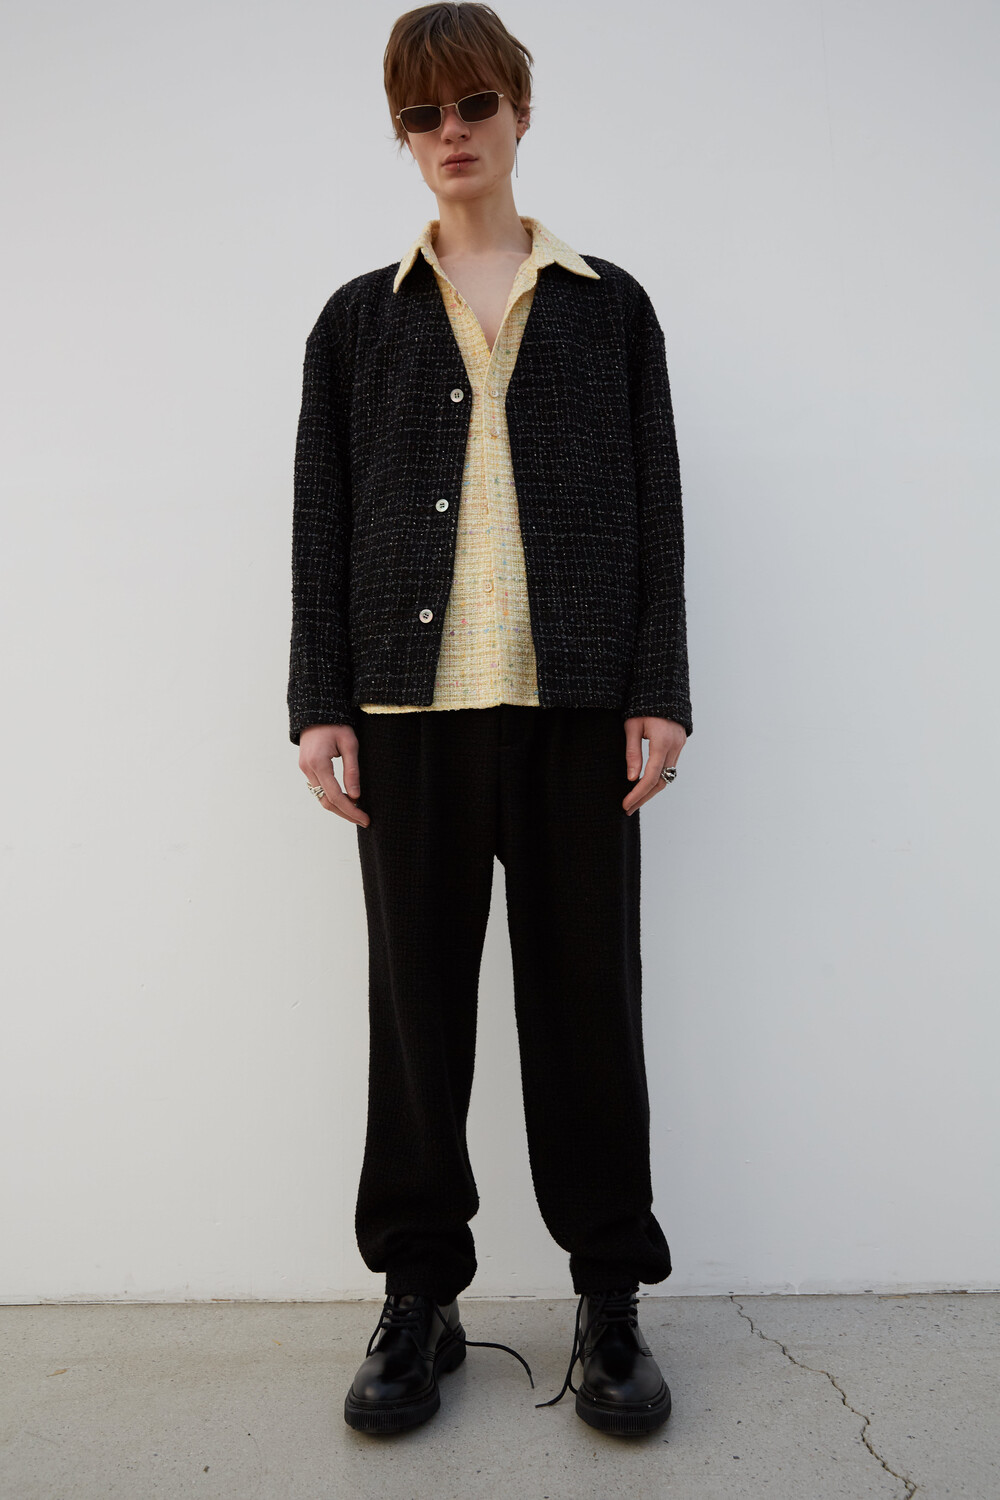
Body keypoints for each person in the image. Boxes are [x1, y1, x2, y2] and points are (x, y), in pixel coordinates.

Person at [288, 1, 692, 1438]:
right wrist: (319, 703)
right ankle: (420, 1296)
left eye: (473, 104)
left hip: (576, 712)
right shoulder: (360, 320)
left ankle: (609, 1295)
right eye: (423, 114)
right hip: (409, 719)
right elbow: (321, 521)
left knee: (590, 1011)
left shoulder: (608, 306)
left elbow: (656, 504)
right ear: (402, 136)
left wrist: (658, 688)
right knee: (418, 1018)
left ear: (520, 109)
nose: (451, 132)